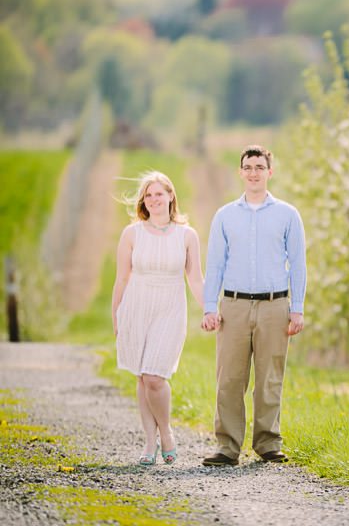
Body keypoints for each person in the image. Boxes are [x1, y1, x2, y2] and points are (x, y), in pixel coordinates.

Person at [201, 144, 306, 467]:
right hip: (232, 305)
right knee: (230, 378)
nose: (254, 172)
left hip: (275, 306)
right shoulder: (225, 216)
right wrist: (209, 305)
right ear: (240, 172)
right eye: (248, 167)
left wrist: (297, 307)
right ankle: (227, 447)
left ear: (270, 172)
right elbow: (215, 263)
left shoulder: (288, 215)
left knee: (269, 378)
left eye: (260, 167)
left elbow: (299, 263)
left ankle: (267, 443)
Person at [112, 171, 204, 466]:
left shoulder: (187, 235)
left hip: (170, 309)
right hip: (136, 306)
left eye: (159, 194)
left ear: (170, 196)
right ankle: (149, 443)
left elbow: (195, 279)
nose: (153, 199)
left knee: (154, 376)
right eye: (148, 195)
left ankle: (166, 433)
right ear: (144, 201)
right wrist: (116, 315)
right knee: (141, 376)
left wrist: (210, 309)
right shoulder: (132, 233)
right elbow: (122, 279)